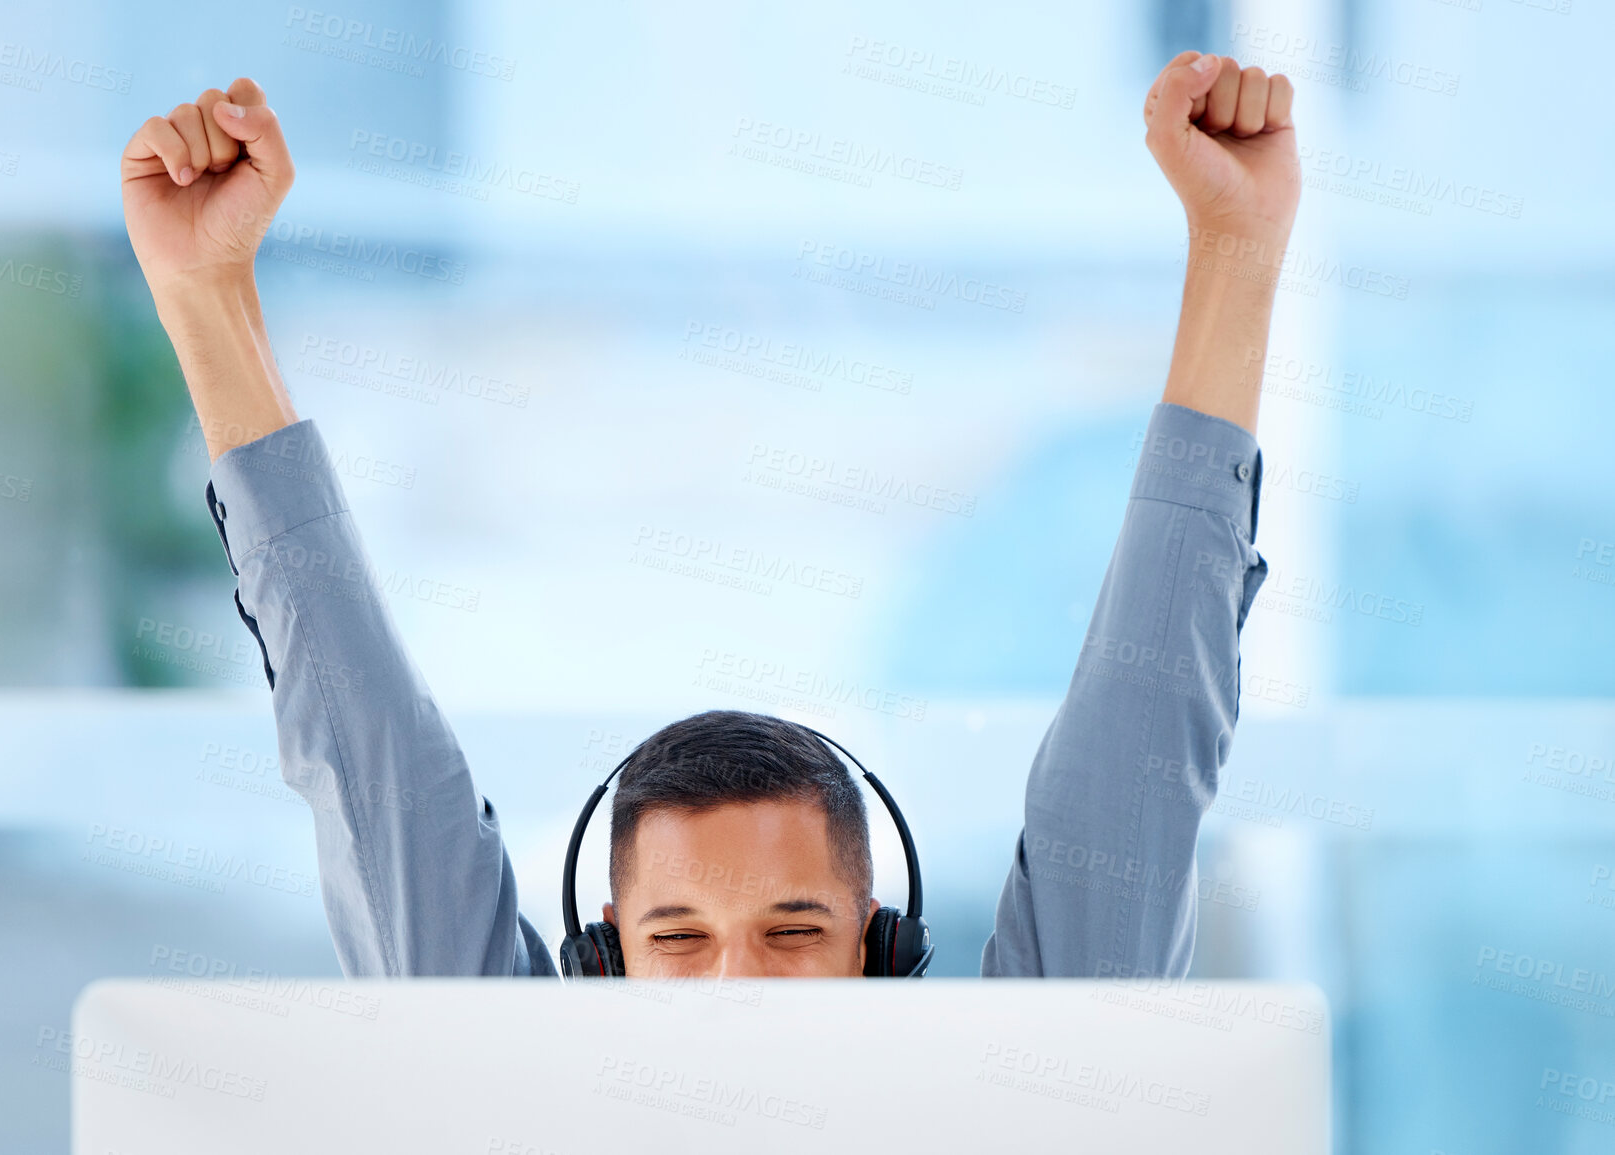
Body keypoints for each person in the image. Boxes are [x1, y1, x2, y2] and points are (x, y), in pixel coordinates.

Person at [120, 50, 1295, 980]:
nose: (737, 988)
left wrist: (1236, 252)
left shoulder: (1011, 1089)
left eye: (793, 934)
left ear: (878, 954)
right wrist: (205, 297)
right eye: (677, 939)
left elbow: (1141, 750)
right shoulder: (517, 1090)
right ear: (604, 959)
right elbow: (360, 751)